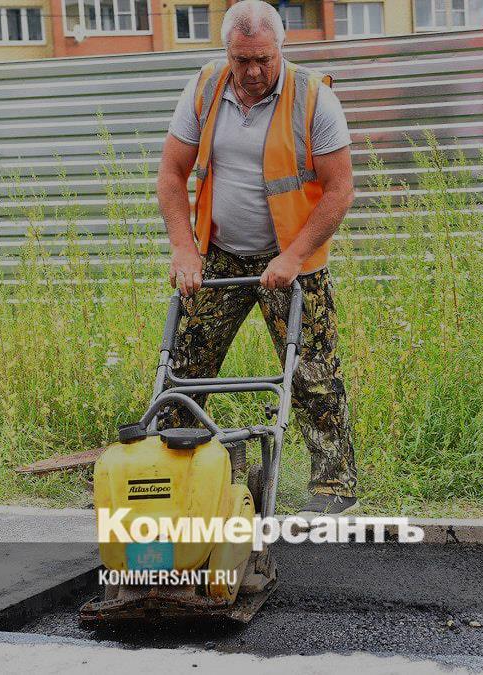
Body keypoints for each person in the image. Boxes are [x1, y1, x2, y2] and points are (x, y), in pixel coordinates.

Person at [155, 0, 358, 518]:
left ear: (280, 49)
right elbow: (172, 173)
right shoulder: (204, 89)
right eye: (241, 59)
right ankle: (171, 474)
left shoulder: (314, 100)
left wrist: (293, 256)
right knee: (185, 367)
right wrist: (183, 248)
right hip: (221, 256)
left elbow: (339, 191)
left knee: (313, 373)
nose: (252, 71)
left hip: (291, 259)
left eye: (263, 59)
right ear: (227, 51)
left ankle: (332, 488)